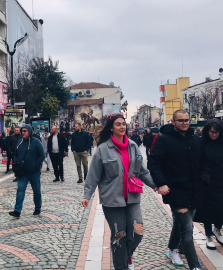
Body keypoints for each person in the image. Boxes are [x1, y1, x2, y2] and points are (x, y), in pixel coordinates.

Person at [82, 113, 156, 270]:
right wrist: (87, 196)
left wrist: (156, 186)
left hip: (132, 197)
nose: (122, 126)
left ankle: (127, 255)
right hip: (112, 200)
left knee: (138, 232)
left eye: (124, 124)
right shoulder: (102, 150)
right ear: (111, 128)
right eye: (118, 124)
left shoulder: (133, 146)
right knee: (119, 236)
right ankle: (121, 266)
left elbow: (142, 171)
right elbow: (93, 176)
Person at [147, 110, 202, 270]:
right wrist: (161, 183)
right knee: (187, 228)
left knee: (180, 223)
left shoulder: (196, 140)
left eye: (186, 120)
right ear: (173, 122)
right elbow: (153, 163)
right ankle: (195, 266)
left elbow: (204, 163)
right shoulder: (164, 140)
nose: (184, 123)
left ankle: (172, 249)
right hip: (175, 190)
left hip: (194, 190)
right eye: (181, 120)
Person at [194, 119, 223, 250]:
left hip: (222, 180)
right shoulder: (201, 142)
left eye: (217, 132)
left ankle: (217, 229)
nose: (214, 135)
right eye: (212, 132)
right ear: (207, 132)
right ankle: (208, 235)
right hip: (206, 181)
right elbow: (196, 159)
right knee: (207, 209)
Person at [9, 125, 45, 218]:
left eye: (25, 131)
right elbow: (15, 154)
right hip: (22, 172)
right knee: (20, 190)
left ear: (30, 132)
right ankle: (17, 211)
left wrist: (36, 165)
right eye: (22, 131)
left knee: (36, 191)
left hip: (34, 172)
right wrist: (16, 162)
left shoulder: (36, 142)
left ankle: (37, 208)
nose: (23, 133)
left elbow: (42, 155)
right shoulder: (20, 142)